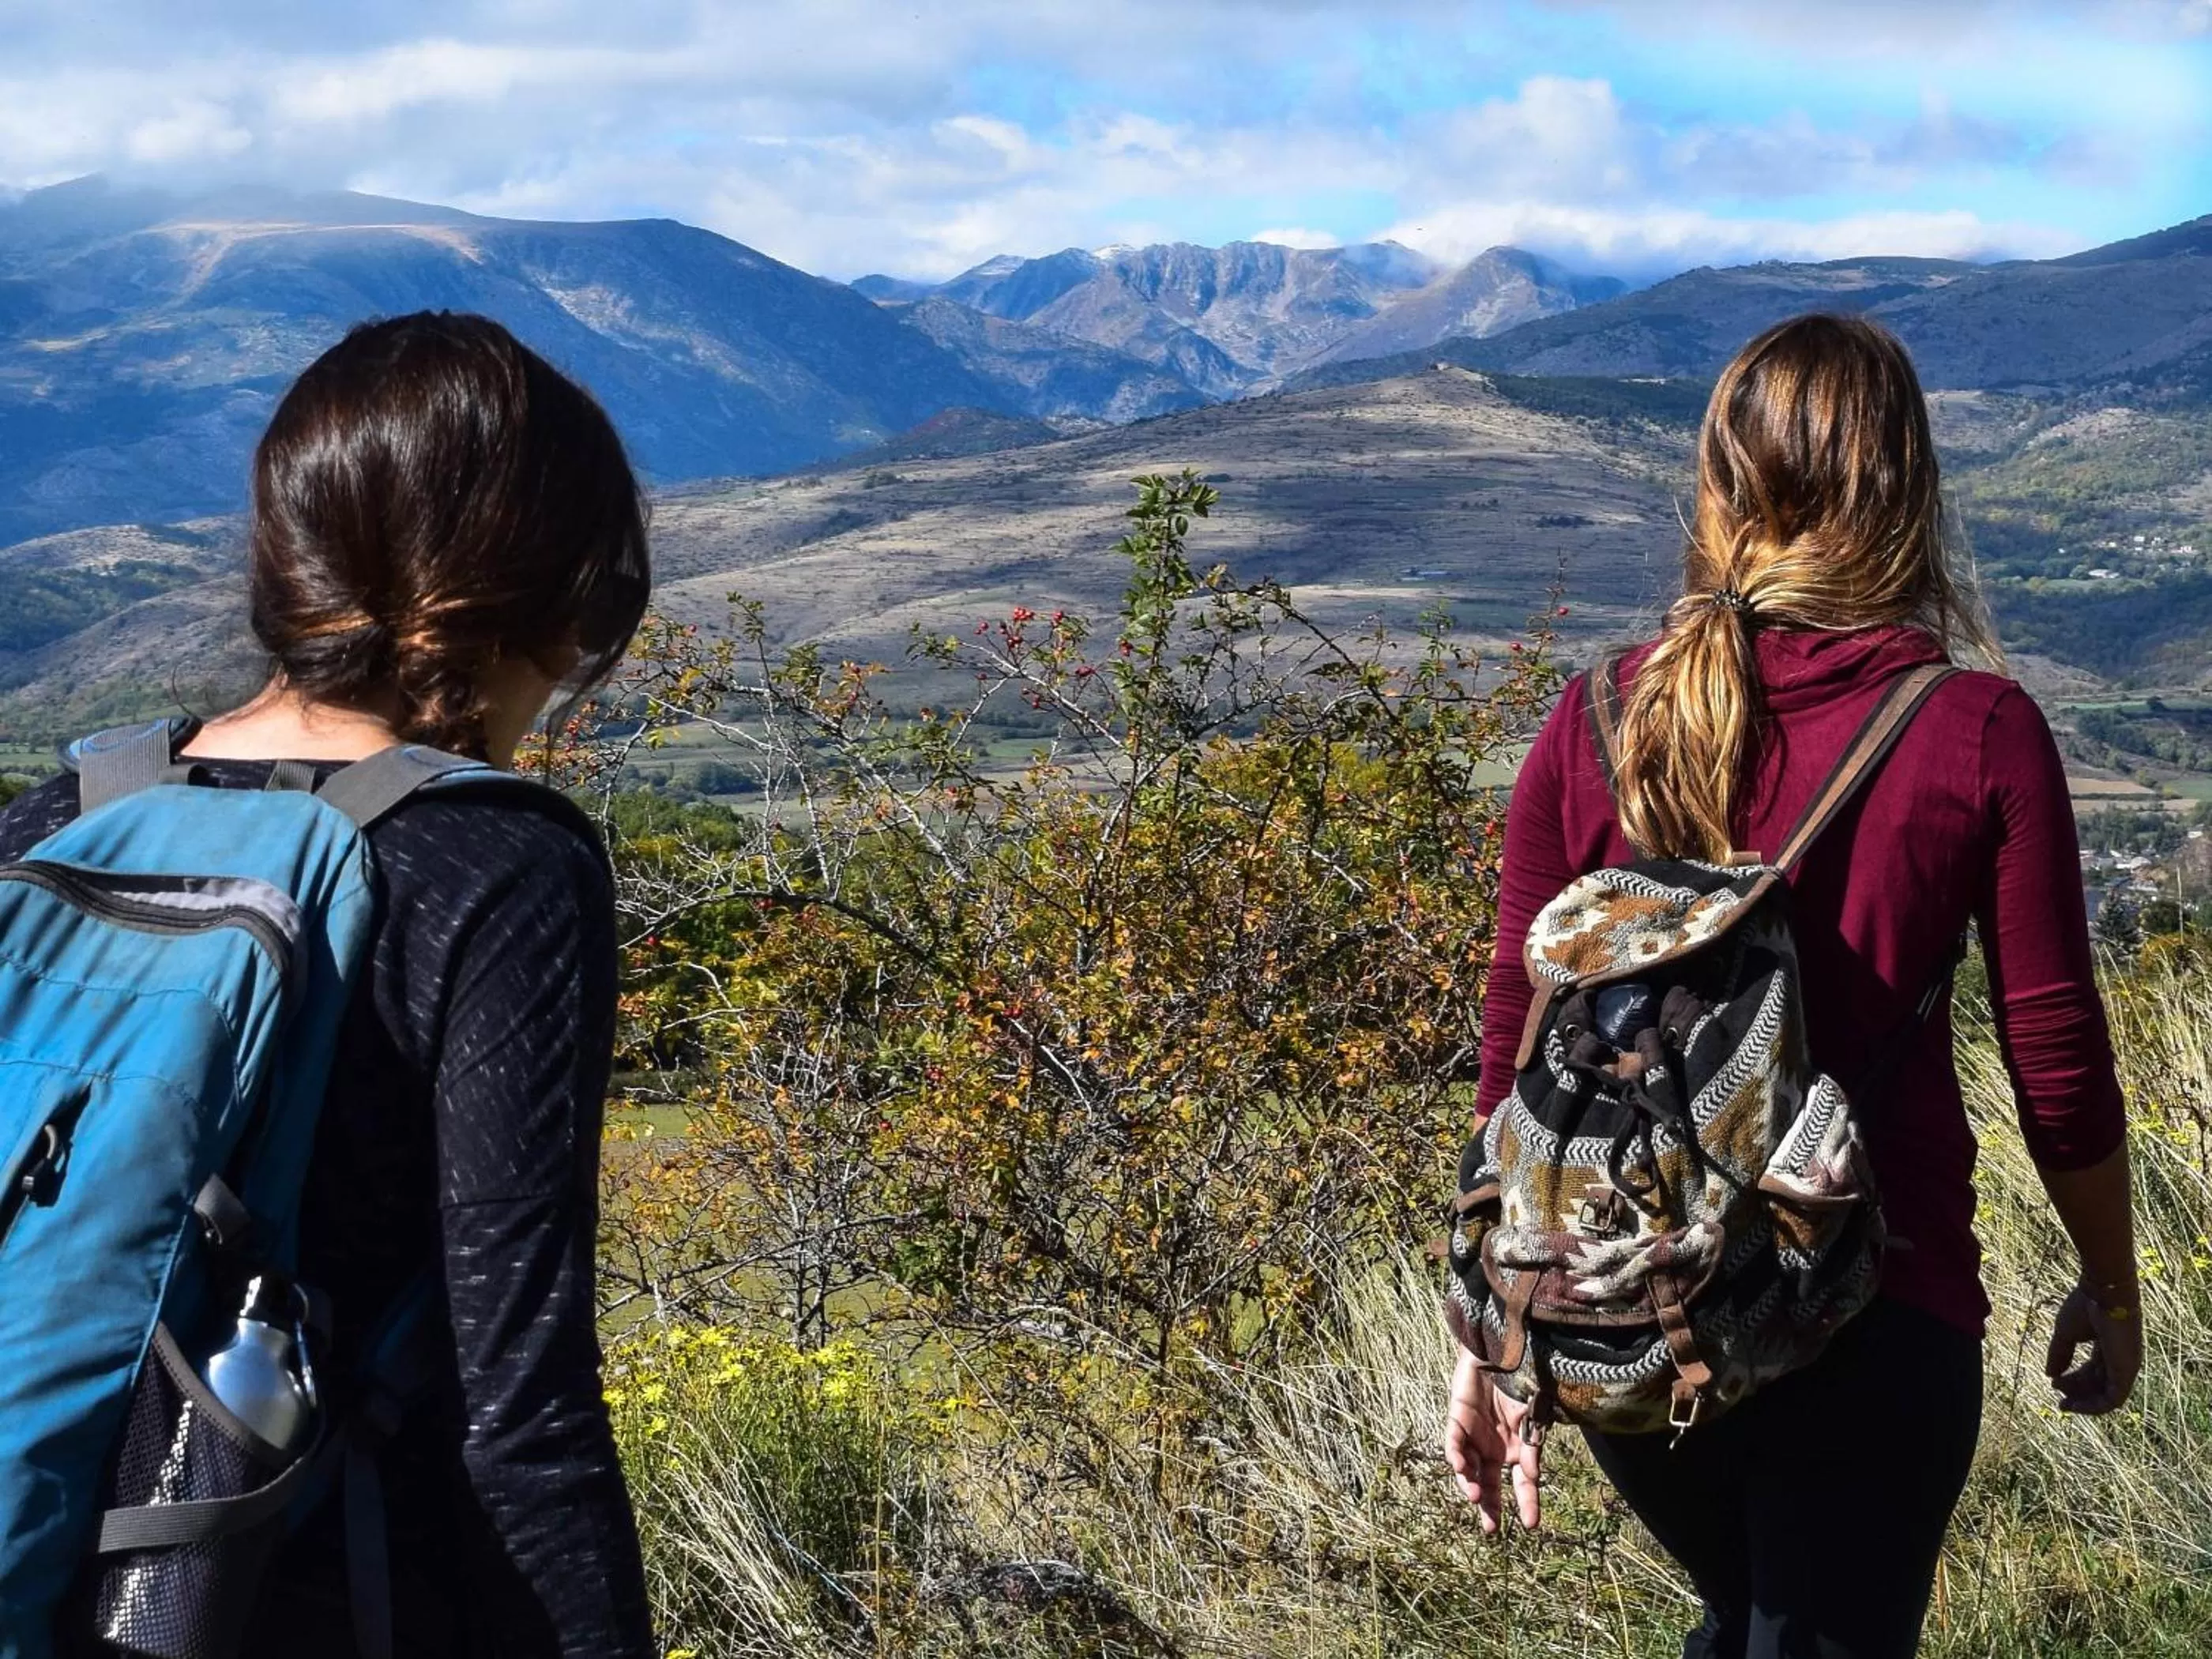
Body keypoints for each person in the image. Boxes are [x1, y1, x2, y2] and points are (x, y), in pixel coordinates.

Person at [1442, 314, 2140, 1659]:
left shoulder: (1597, 717)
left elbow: (1517, 1048)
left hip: (1627, 1314)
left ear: (1719, 486)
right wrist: (2111, 1291)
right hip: (1876, 1303)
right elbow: (2056, 1063)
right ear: (1907, 489)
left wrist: (1493, 1329)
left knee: (1752, 1623)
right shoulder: (1975, 728)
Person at [0, 312, 656, 1658]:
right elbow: (517, 1409)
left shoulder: (58, 816)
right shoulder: (493, 864)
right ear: (537, 599)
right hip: (290, 1600)